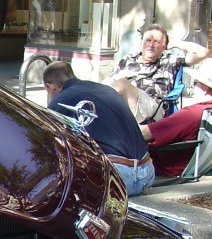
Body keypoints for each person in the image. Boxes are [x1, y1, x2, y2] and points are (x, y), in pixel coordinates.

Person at [43, 61, 154, 196]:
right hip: (147, 172)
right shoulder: (107, 90)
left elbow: (49, 144)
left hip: (117, 178)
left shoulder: (60, 101)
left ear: (51, 87)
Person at [140, 58, 212, 178]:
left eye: (195, 83)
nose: (193, 86)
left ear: (205, 88)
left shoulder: (193, 114)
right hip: (200, 166)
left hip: (161, 167)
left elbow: (144, 134)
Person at [106, 23, 208, 122]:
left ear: (164, 46)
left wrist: (176, 43)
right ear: (142, 43)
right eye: (148, 40)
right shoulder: (127, 60)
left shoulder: (170, 61)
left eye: (156, 42)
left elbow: (203, 53)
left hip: (153, 108)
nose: (151, 45)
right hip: (123, 104)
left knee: (122, 84)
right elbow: (108, 84)